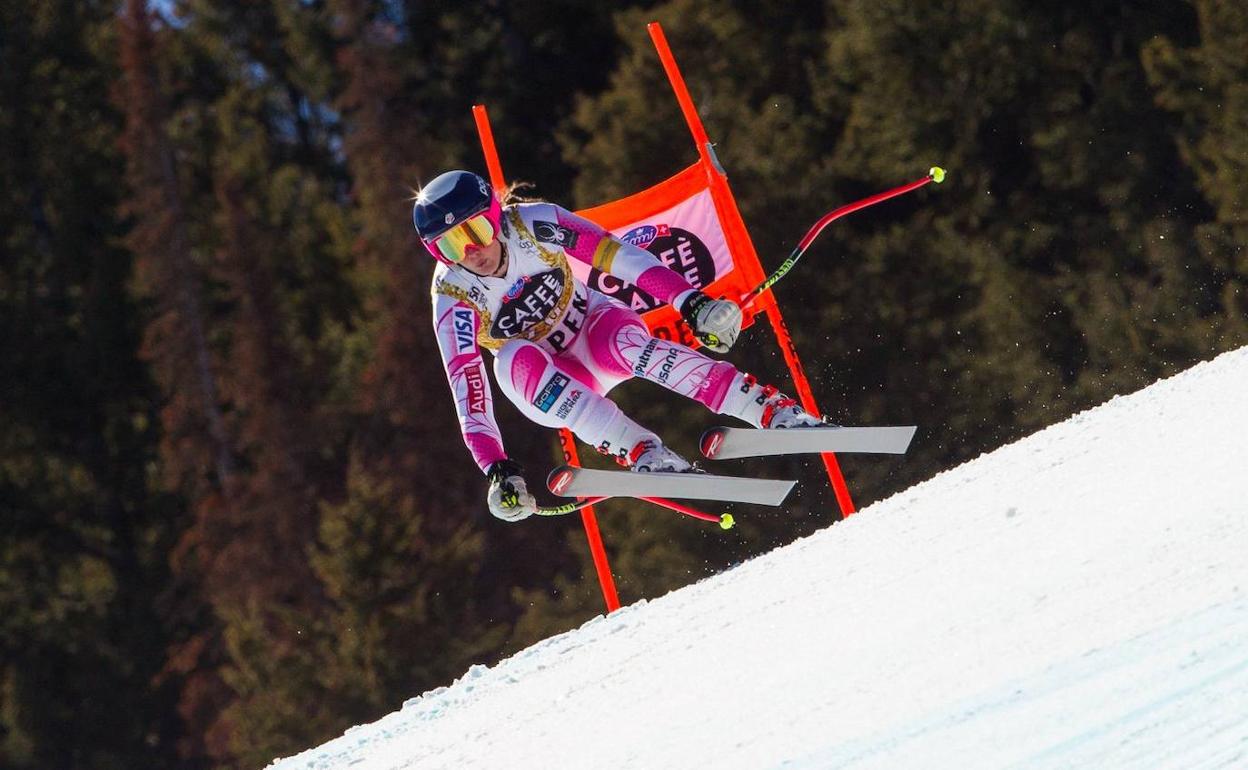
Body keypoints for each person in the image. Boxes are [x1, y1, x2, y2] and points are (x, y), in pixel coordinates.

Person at [415, 170, 824, 523]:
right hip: (552, 380)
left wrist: (690, 301)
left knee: (624, 342)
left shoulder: (533, 225)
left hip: (597, 333)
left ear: (494, 216)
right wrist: (497, 468)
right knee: (509, 362)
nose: (472, 252)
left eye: (476, 231)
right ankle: (643, 451)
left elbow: (618, 257)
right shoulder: (454, 296)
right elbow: (468, 387)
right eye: (451, 246)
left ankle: (761, 407)